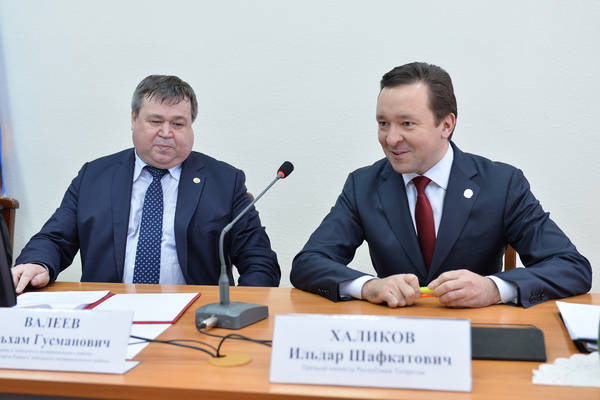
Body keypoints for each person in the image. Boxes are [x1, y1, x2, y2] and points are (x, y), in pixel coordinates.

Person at [291, 62, 591, 308]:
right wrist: (368, 286)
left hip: (478, 336)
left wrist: (494, 288)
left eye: (407, 124)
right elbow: (309, 263)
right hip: (395, 338)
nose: (391, 138)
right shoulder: (363, 185)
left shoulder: (501, 184)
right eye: (383, 123)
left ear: (446, 125)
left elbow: (571, 267)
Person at [12, 75, 280, 293]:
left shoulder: (225, 181)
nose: (166, 133)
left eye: (178, 124)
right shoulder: (94, 177)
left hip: (197, 318)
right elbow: (55, 238)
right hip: (109, 313)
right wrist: (37, 263)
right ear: (133, 119)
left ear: (191, 126)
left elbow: (259, 260)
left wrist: (239, 308)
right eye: (155, 121)